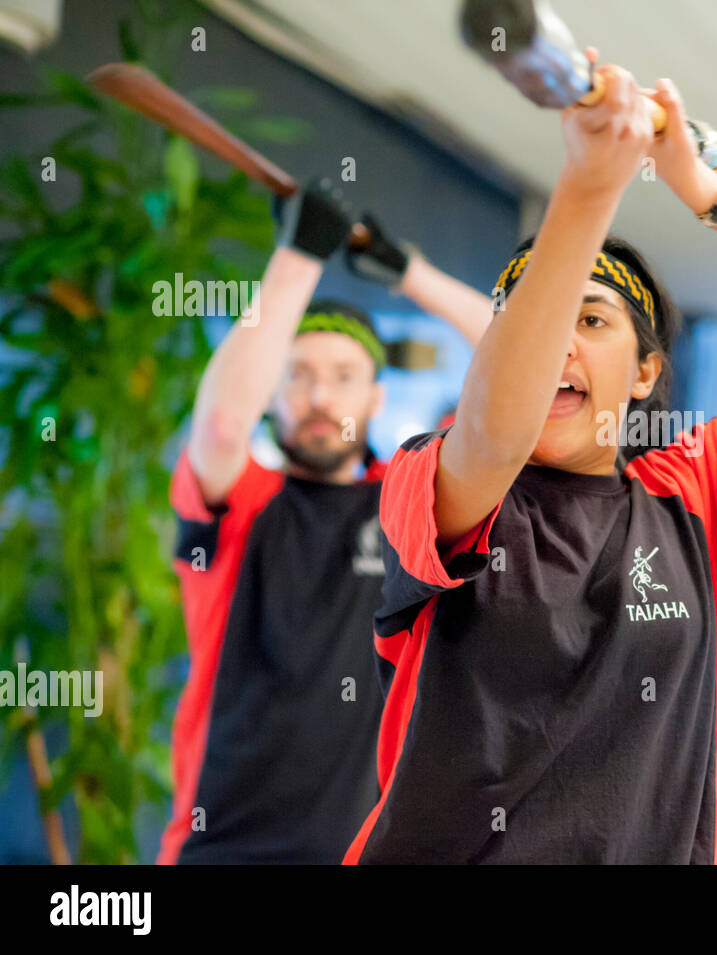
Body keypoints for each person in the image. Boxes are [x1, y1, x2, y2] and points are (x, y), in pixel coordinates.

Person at [344, 62, 717, 865]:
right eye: (532, 320)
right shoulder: (429, 477)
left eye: (593, 318)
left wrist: (705, 188)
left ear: (644, 372)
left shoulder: (701, 496)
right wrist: (587, 183)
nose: (558, 342)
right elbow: (497, 431)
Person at [158, 182, 492, 863]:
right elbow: (222, 423)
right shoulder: (240, 500)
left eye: (342, 375)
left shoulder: (409, 504)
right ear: (271, 393)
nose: (318, 395)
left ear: (375, 397)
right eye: (298, 374)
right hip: (219, 849)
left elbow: (527, 374)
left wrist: (412, 274)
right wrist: (299, 257)